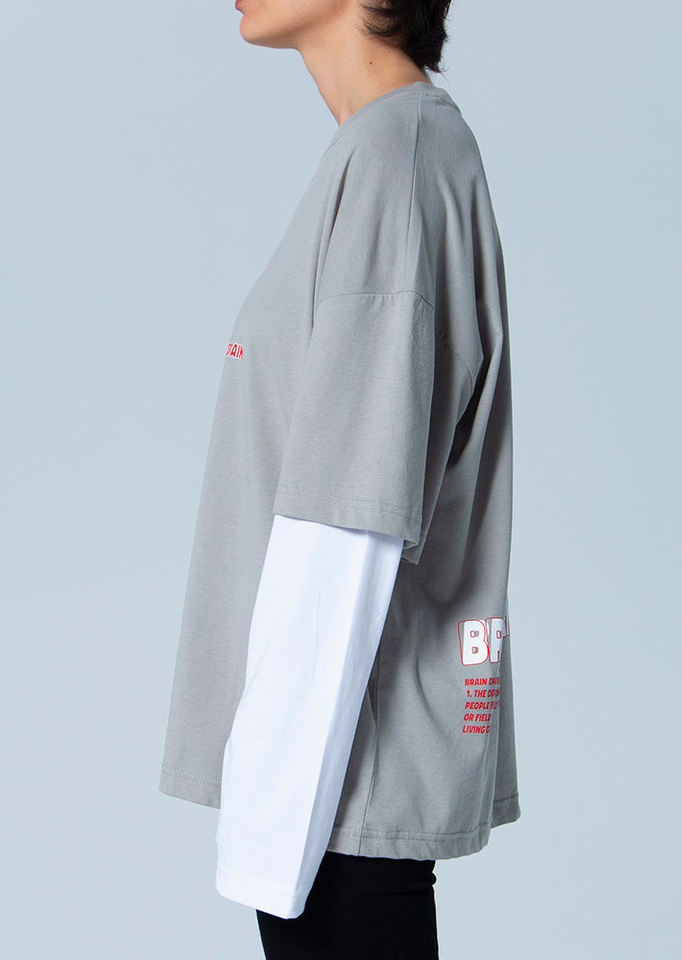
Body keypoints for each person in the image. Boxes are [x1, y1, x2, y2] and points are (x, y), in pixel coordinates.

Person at [158, 1, 520, 957]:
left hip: (333, 782)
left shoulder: (396, 160)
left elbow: (349, 518)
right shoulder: (394, 152)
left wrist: (268, 828)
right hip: (332, 780)